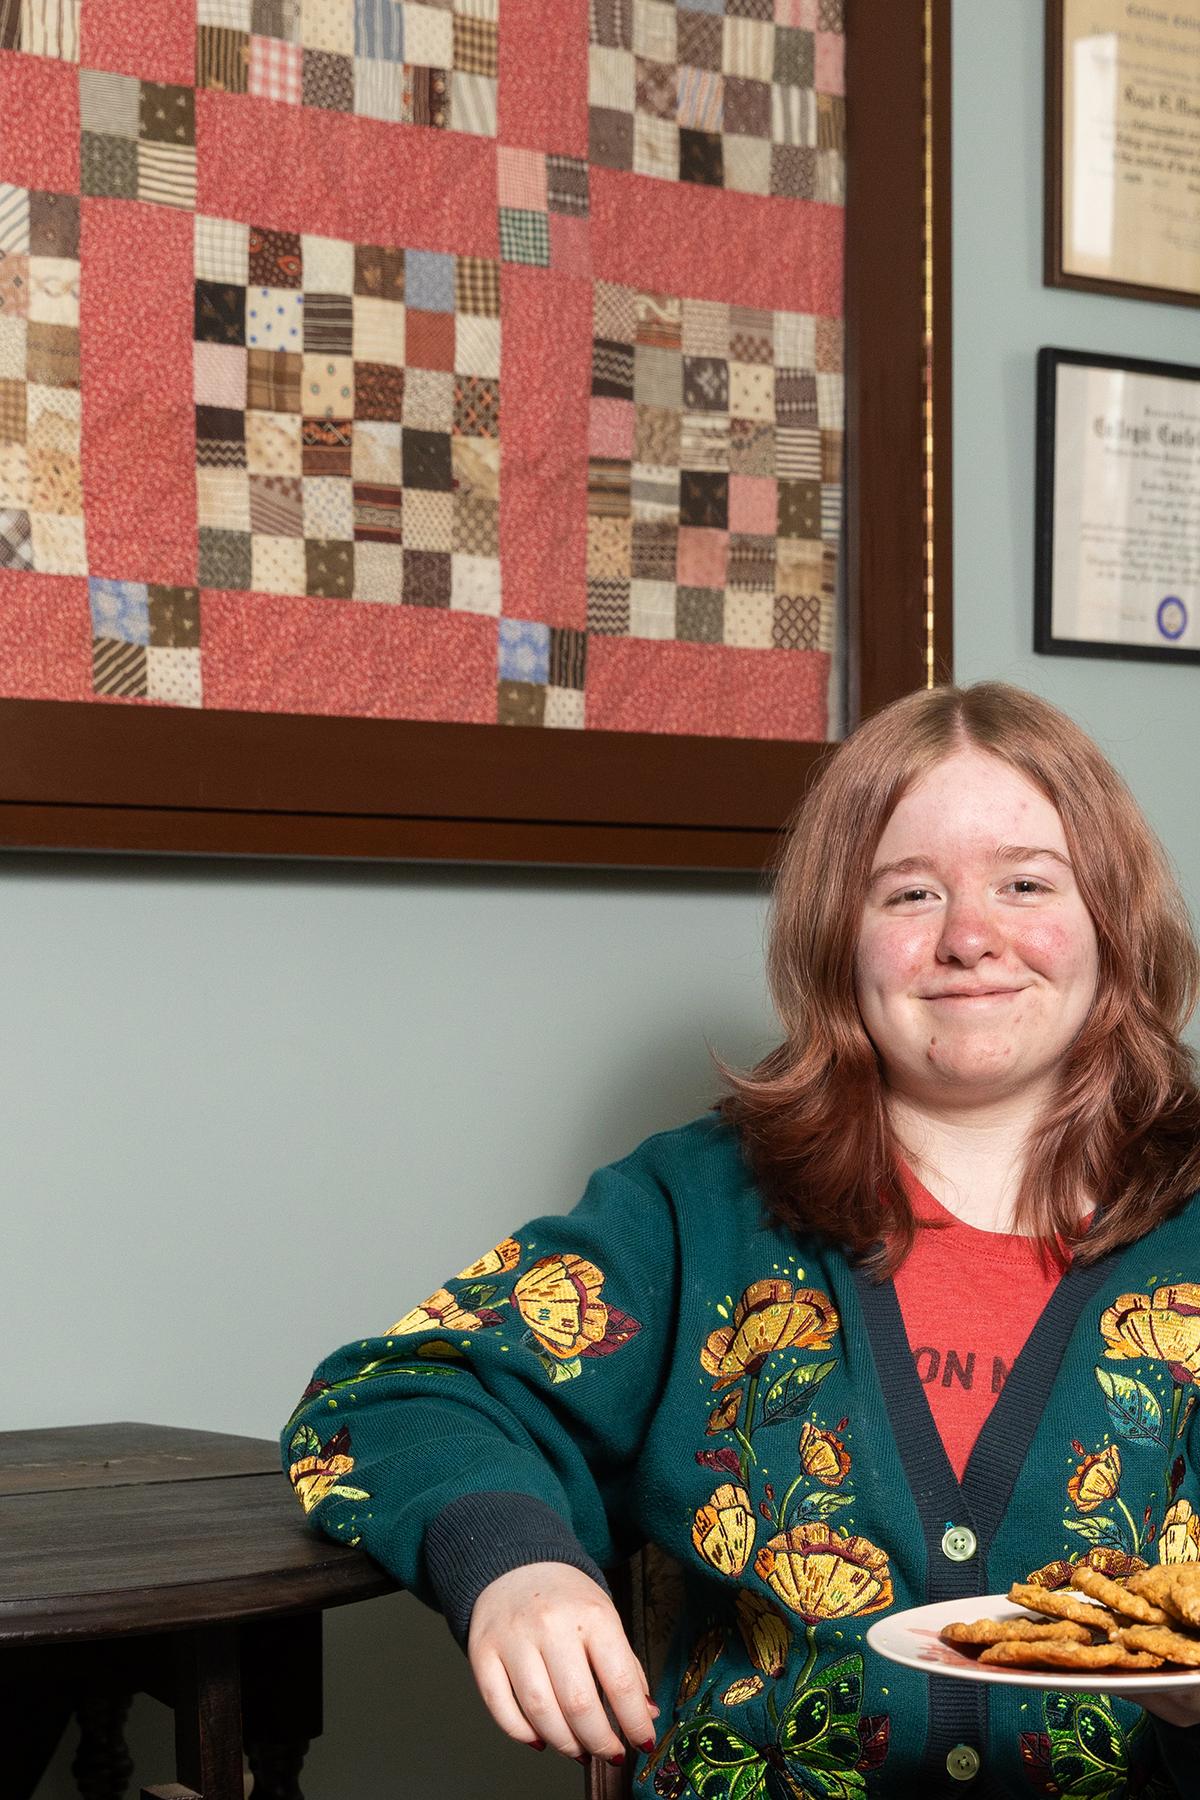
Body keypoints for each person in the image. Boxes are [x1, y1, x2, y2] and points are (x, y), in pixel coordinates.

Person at [281, 681, 1200, 1797]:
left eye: (1024, 883)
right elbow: (388, 1401)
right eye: (908, 894)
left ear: (1112, 918)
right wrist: (511, 1562)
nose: (969, 937)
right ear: (835, 938)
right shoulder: (695, 1208)